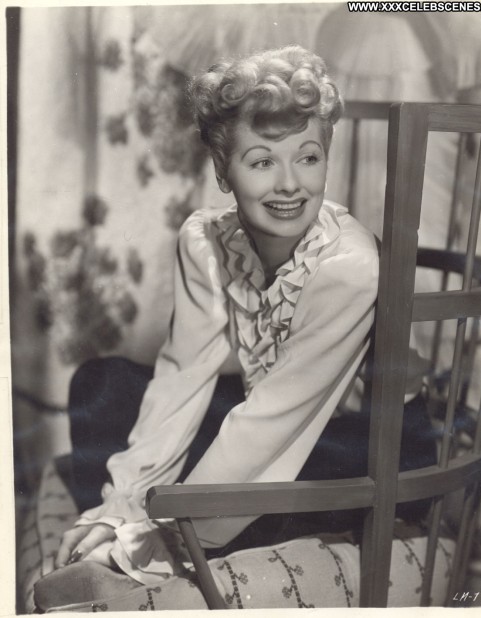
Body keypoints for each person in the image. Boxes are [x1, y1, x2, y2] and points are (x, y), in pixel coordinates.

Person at [49, 46, 435, 589]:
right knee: (101, 383)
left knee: (257, 469)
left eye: (308, 157)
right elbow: (183, 378)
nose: (290, 184)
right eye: (262, 162)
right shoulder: (206, 241)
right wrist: (121, 507)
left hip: (367, 447)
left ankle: (138, 567)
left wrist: (146, 548)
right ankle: (113, 530)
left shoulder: (349, 267)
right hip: (272, 414)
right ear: (222, 171)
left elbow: (271, 427)